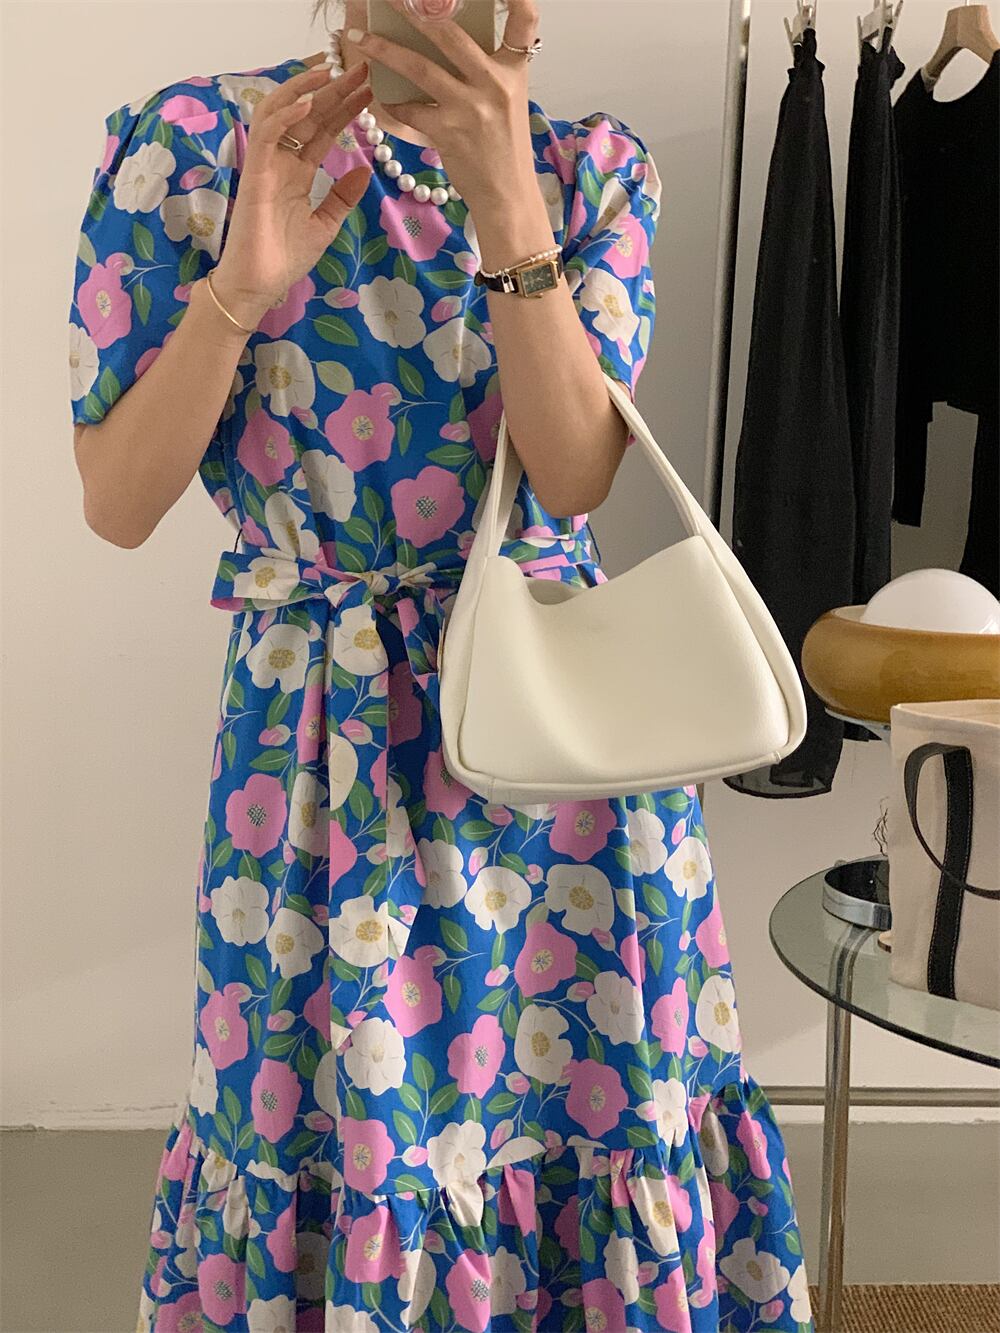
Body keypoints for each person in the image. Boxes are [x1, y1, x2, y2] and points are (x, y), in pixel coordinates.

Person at [68, 0, 814, 1328]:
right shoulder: (194, 146)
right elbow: (118, 502)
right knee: (333, 1129)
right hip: (315, 755)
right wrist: (243, 283)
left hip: (558, 744)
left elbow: (572, 476)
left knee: (585, 1120)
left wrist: (508, 201)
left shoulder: (588, 169)